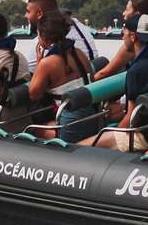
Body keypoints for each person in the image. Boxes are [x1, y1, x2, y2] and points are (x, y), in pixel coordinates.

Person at [84, 11, 148, 149]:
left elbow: (131, 119)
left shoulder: (136, 70)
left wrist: (113, 131)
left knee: (84, 146)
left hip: (144, 134)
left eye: (124, 33)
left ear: (133, 37)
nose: (123, 37)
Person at [28, 12, 100, 141]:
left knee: (31, 129)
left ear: (44, 37)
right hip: (92, 116)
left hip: (70, 123)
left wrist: (40, 64)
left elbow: (34, 94)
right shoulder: (79, 54)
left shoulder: (47, 63)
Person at [19, 0, 101, 71]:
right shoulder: (77, 26)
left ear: (40, 13)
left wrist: (40, 63)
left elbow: (28, 73)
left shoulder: (47, 38)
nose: (26, 16)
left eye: (28, 12)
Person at [93, 0, 148, 79]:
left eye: (127, 9)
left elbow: (104, 73)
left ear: (137, 14)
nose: (123, 13)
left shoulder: (133, 43)